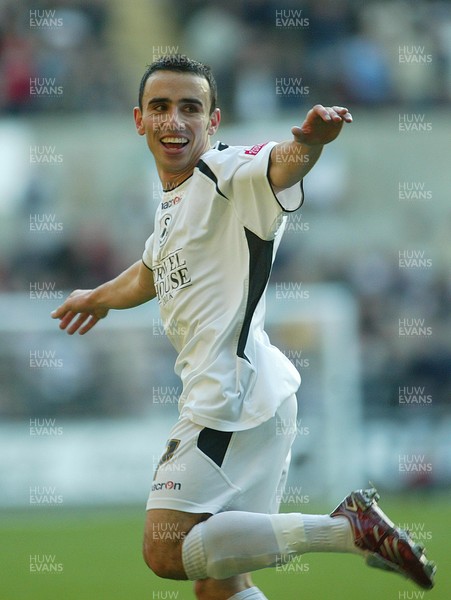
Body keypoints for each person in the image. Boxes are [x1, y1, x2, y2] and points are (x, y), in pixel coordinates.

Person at [52, 56, 435, 600]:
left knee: (164, 551)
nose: (174, 121)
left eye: (191, 108)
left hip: (227, 399)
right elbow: (149, 273)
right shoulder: (173, 203)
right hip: (259, 394)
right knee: (221, 586)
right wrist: (97, 297)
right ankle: (350, 530)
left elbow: (280, 163)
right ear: (139, 120)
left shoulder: (226, 173)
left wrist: (311, 144)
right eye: (161, 108)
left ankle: (350, 530)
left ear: (214, 121)